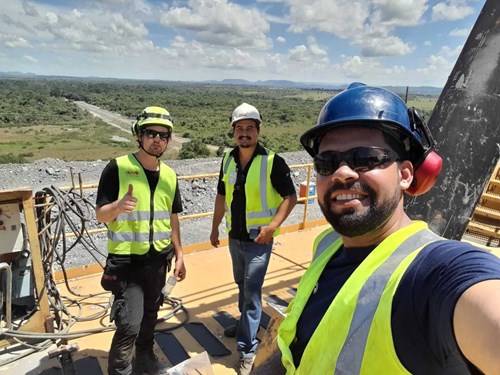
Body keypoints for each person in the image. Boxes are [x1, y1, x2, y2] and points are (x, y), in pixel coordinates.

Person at [276, 83, 500, 374]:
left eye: (366, 158)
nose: (342, 172)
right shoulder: (327, 244)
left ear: (406, 174)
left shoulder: (435, 272)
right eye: (326, 163)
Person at [96, 106, 186, 375]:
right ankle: (120, 369)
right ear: (139, 135)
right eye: (150, 133)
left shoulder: (170, 175)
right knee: (129, 323)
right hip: (127, 263)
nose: (157, 139)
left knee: (150, 316)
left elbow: (172, 217)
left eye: (163, 135)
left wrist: (180, 253)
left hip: (158, 260)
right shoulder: (118, 168)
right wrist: (118, 206)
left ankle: (145, 359)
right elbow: (101, 215)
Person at [210, 102, 297, 374]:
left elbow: (290, 197)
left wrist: (272, 227)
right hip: (235, 238)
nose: (244, 133)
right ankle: (243, 326)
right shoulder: (228, 159)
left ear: (258, 131)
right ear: (233, 132)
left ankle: (247, 350)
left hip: (259, 242)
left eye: (249, 128)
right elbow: (222, 195)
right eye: (239, 129)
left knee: (251, 293)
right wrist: (214, 228)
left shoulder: (272, 162)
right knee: (241, 285)